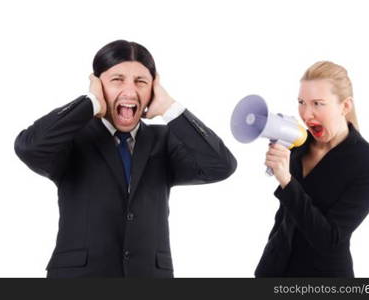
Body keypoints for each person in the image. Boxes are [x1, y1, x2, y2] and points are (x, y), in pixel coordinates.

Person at [14, 40, 237, 277]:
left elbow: (221, 166)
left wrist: (169, 108)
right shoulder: (72, 138)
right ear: (99, 85)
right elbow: (29, 147)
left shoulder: (163, 141)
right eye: (117, 80)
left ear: (153, 89)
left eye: (141, 82)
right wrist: (89, 103)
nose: (130, 92)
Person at [255, 61, 369, 277]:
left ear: (345, 106)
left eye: (318, 104)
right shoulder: (298, 146)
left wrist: (287, 181)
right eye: (301, 102)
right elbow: (284, 219)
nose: (306, 114)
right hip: (274, 270)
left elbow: (330, 240)